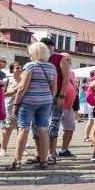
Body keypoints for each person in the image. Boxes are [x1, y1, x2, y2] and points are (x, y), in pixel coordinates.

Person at [5, 42, 56, 171]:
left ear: (34, 53)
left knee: (23, 129)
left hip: (28, 101)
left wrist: (16, 103)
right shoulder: (52, 67)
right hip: (46, 101)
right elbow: (54, 89)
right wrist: (47, 98)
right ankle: (44, 161)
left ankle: (17, 162)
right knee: (43, 129)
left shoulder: (30, 66)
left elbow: (22, 87)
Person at [38, 36, 71, 164]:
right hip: (40, 95)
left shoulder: (59, 58)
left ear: (50, 47)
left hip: (56, 96)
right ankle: (40, 153)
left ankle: (52, 153)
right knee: (40, 125)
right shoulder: (39, 58)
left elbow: (66, 78)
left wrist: (62, 96)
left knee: (53, 124)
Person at [56, 53, 78, 158]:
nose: (69, 62)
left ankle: (64, 149)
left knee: (70, 128)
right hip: (58, 104)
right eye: (66, 59)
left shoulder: (72, 73)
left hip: (70, 106)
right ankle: (50, 151)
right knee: (53, 128)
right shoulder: (56, 72)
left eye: (70, 59)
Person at [0, 61, 22, 157]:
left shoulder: (25, 79)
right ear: (12, 70)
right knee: (8, 128)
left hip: (22, 106)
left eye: (21, 68)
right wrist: (13, 93)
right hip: (9, 107)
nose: (20, 69)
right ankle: (3, 149)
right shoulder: (7, 80)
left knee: (21, 128)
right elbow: (2, 94)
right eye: (17, 68)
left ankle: (21, 149)